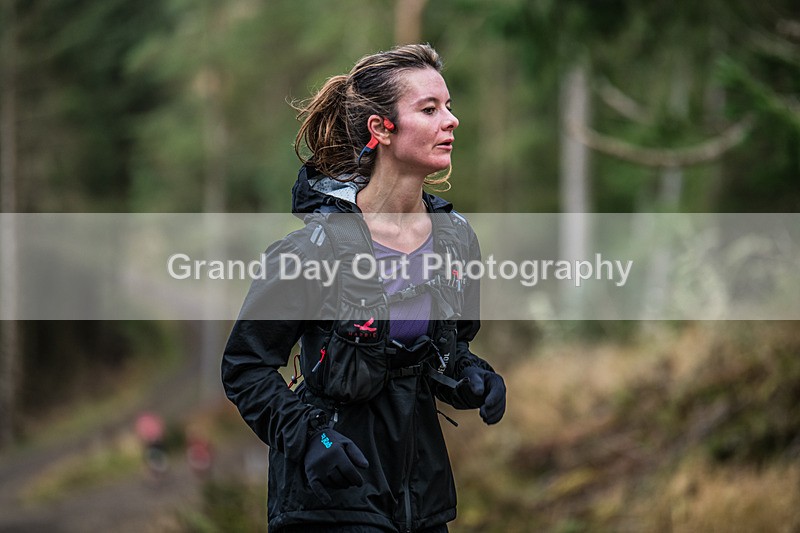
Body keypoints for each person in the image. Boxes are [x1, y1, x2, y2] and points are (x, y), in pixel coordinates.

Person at [221, 43, 506, 533]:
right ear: (382, 129)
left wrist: (473, 378)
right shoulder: (313, 250)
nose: (451, 120)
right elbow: (245, 368)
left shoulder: (456, 239)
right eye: (430, 109)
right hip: (329, 494)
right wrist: (312, 440)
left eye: (449, 105)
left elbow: (447, 351)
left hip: (421, 494)